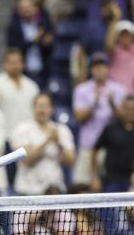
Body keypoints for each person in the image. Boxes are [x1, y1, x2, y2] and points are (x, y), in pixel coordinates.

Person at [72, 52, 127, 186]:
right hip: (88, 146)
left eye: (102, 66)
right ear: (91, 70)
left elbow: (127, 119)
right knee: (82, 187)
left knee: (109, 187)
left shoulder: (119, 89)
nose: (99, 70)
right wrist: (93, 105)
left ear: (108, 68)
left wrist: (113, 105)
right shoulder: (81, 89)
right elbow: (78, 116)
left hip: (110, 149)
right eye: (96, 67)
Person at [10, 93, 76, 195]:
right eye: (39, 106)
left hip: (55, 190)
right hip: (28, 190)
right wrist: (47, 140)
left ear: (52, 109)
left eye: (46, 106)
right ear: (33, 108)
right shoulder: (22, 129)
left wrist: (58, 142)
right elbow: (27, 159)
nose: (42, 110)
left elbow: (71, 161)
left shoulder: (61, 130)